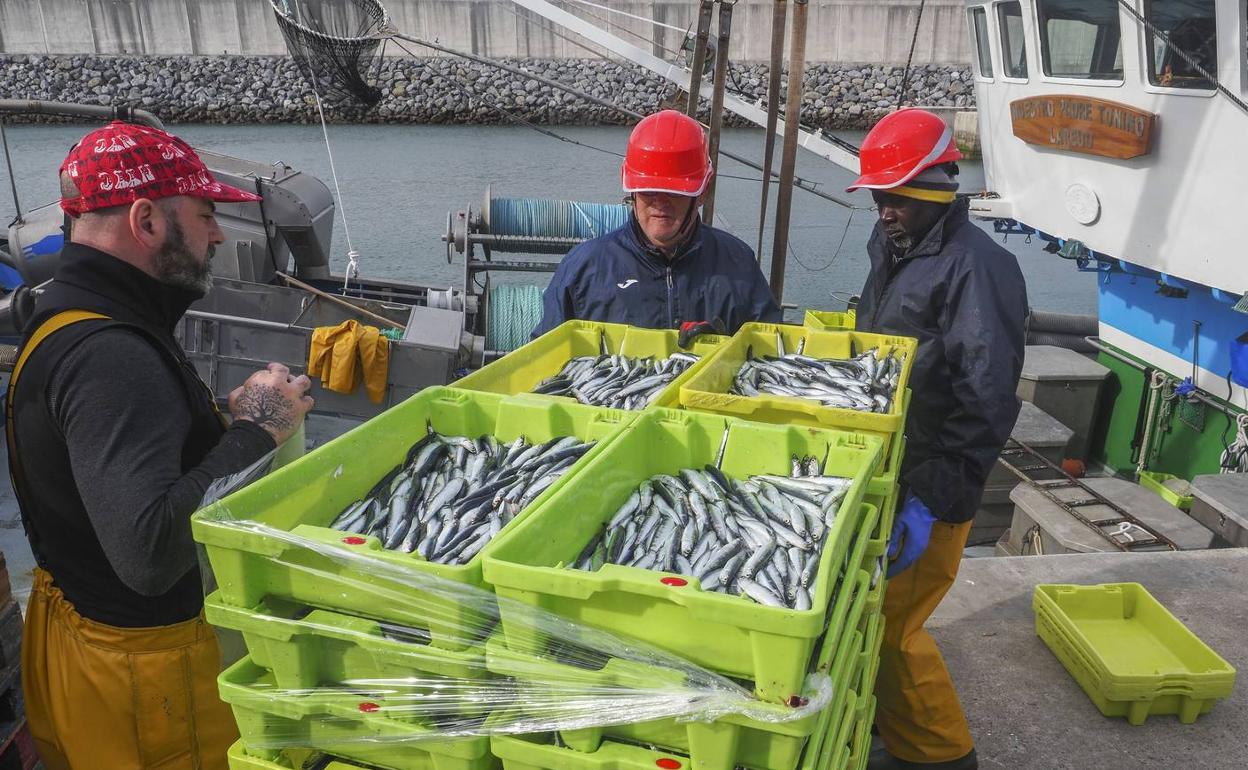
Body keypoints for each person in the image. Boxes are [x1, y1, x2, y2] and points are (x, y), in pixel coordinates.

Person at [5, 121, 315, 770]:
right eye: (204, 216)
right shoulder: (111, 355)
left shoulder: (62, 315)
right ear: (147, 221)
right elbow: (148, 554)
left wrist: (217, 427)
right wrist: (261, 429)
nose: (218, 235)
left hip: (80, 653)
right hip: (145, 691)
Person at [847, 109, 1027, 770]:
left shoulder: (980, 269)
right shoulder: (894, 245)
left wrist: (932, 499)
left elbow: (987, 400)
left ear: (932, 190)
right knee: (870, 618)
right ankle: (892, 727)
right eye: (877, 195)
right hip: (890, 468)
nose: (882, 208)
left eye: (894, 196)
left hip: (932, 485)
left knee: (895, 629)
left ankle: (943, 755)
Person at [534, 109, 781, 337]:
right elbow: (542, 359)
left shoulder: (738, 263)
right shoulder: (582, 269)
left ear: (703, 191)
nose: (660, 203)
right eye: (649, 190)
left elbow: (771, 351)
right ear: (632, 192)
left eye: (674, 192)